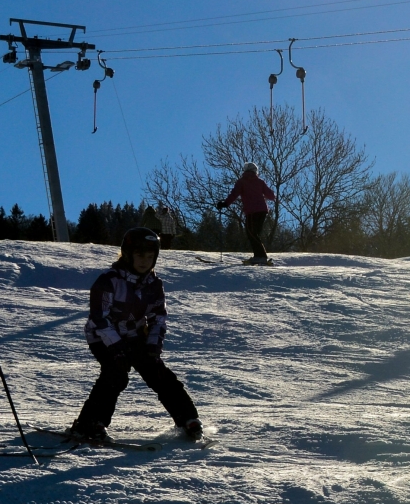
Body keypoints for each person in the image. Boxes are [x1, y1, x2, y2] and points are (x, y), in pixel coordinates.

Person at [69, 227, 202, 442]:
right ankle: (89, 423)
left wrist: (153, 346)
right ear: (128, 255)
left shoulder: (154, 284)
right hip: (103, 337)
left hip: (135, 336)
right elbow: (100, 320)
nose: (144, 261)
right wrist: (117, 348)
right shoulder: (108, 281)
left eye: (150, 257)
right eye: (140, 255)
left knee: (158, 372)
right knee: (116, 373)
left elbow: (158, 318)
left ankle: (188, 419)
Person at [218, 163, 277, 265]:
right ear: (255, 171)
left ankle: (260, 256)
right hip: (262, 211)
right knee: (255, 233)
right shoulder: (260, 182)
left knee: (251, 233)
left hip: (251, 211)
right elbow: (271, 196)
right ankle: (260, 256)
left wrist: (225, 203)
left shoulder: (242, 182)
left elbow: (234, 194)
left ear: (245, 170)